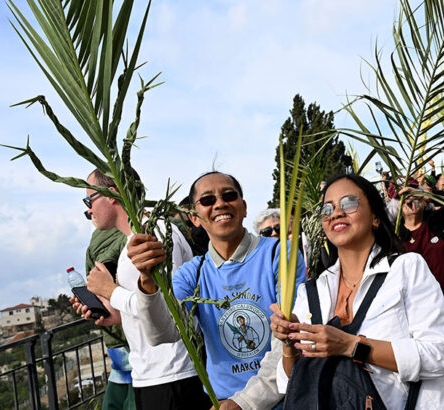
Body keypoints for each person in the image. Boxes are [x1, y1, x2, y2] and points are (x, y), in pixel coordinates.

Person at [269, 174, 444, 409]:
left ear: (374, 217)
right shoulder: (310, 293)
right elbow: (290, 382)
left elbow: (438, 356)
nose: (336, 213)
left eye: (349, 203)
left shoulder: (406, 268)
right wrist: (289, 341)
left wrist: (351, 345)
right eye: (327, 209)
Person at [128, 171, 307, 410]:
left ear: (243, 207)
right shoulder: (193, 272)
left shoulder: (279, 254)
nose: (220, 203)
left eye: (229, 195)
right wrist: (147, 281)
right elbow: (162, 333)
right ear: (194, 217)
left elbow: (288, 338)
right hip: (223, 403)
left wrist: (245, 402)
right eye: (207, 200)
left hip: (284, 398)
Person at [76, 170, 210, 410]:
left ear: (112, 194)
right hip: (154, 373)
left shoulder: (152, 234)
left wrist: (110, 290)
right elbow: (147, 307)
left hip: (173, 372)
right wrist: (112, 314)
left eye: (89, 200)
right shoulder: (135, 239)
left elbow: (172, 308)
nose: (88, 210)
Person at [396, 186, 444, 409]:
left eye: (415, 197)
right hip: (415, 314)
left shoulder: (439, 221)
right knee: (431, 374)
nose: (411, 201)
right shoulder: (394, 237)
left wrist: (428, 194)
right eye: (405, 199)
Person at [85, 227, 135, 410]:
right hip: (120, 341)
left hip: (125, 343)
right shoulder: (100, 237)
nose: (89, 211)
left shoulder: (104, 238)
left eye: (91, 202)